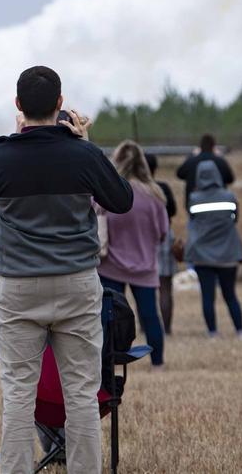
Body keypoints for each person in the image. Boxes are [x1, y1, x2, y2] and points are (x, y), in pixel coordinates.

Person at [0, 66, 133, 474]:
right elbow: (121, 200)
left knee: (18, 395)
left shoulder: (0, 156)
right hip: (77, 283)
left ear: (18, 105)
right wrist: (87, 146)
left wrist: (17, 138)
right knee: (81, 394)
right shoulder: (83, 155)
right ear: (60, 104)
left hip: (19, 286)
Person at [97, 141, 168, 367]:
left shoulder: (108, 192)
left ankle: (108, 362)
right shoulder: (155, 195)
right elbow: (162, 233)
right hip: (145, 266)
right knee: (150, 316)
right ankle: (157, 363)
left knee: (108, 317)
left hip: (110, 265)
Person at [185, 161, 242, 339]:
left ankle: (212, 331)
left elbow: (193, 219)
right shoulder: (229, 197)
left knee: (207, 296)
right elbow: (234, 218)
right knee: (230, 295)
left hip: (202, 254)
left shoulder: (194, 198)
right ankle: (240, 330)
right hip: (228, 253)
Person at [144, 153, 178, 334]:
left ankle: (145, 326)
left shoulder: (135, 189)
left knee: (143, 287)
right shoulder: (162, 188)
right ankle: (167, 328)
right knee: (165, 287)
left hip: (141, 239)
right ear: (155, 168)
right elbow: (173, 210)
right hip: (163, 236)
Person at [176, 133, 236, 207]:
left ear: (200, 147)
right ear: (213, 147)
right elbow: (230, 179)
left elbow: (179, 174)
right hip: (218, 202)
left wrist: (191, 156)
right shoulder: (220, 161)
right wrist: (221, 157)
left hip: (195, 204)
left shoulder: (191, 161)